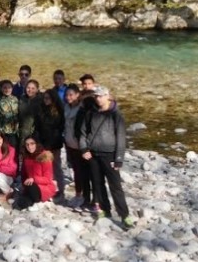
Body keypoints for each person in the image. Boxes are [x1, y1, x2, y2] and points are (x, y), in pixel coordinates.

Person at [79, 85, 133, 229]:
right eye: (96, 96)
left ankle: (124, 215)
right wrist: (84, 148)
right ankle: (105, 210)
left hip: (110, 155)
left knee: (116, 187)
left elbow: (121, 138)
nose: (98, 98)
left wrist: (119, 158)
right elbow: (83, 133)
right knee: (98, 184)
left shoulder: (116, 115)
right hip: (93, 154)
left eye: (101, 96)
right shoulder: (91, 113)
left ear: (108, 96)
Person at [64, 84, 92, 211]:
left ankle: (88, 198)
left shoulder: (81, 108)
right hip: (69, 144)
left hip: (80, 145)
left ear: (77, 95)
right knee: (76, 171)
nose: (68, 97)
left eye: (71, 95)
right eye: (67, 95)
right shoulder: (66, 107)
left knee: (84, 172)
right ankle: (78, 194)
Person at [36, 88, 66, 201]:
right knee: (44, 167)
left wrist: (50, 145)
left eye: (48, 98)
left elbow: (60, 128)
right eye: (44, 98)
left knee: (56, 166)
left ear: (53, 99)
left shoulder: (59, 111)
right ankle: (46, 189)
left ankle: (61, 190)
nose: (46, 100)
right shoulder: (41, 110)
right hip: (43, 143)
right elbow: (38, 127)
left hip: (54, 144)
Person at [13, 137, 56, 210]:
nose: (29, 147)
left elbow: (48, 179)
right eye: (27, 145)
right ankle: (34, 200)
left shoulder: (44, 157)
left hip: (44, 187)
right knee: (21, 204)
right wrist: (24, 186)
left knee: (31, 186)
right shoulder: (26, 157)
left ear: (37, 144)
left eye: (32, 144)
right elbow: (24, 174)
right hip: (31, 186)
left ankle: (41, 201)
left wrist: (34, 179)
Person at [0, 80, 19, 148]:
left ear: (12, 88)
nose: (7, 89)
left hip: (14, 132)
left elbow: (19, 114)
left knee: (14, 150)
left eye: (9, 87)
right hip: (3, 132)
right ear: (1, 89)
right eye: (5, 87)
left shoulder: (16, 99)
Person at [18, 79, 42, 147]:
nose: (30, 90)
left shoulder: (40, 101)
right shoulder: (22, 99)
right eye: (28, 88)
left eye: (33, 88)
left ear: (37, 89)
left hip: (35, 133)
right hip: (22, 132)